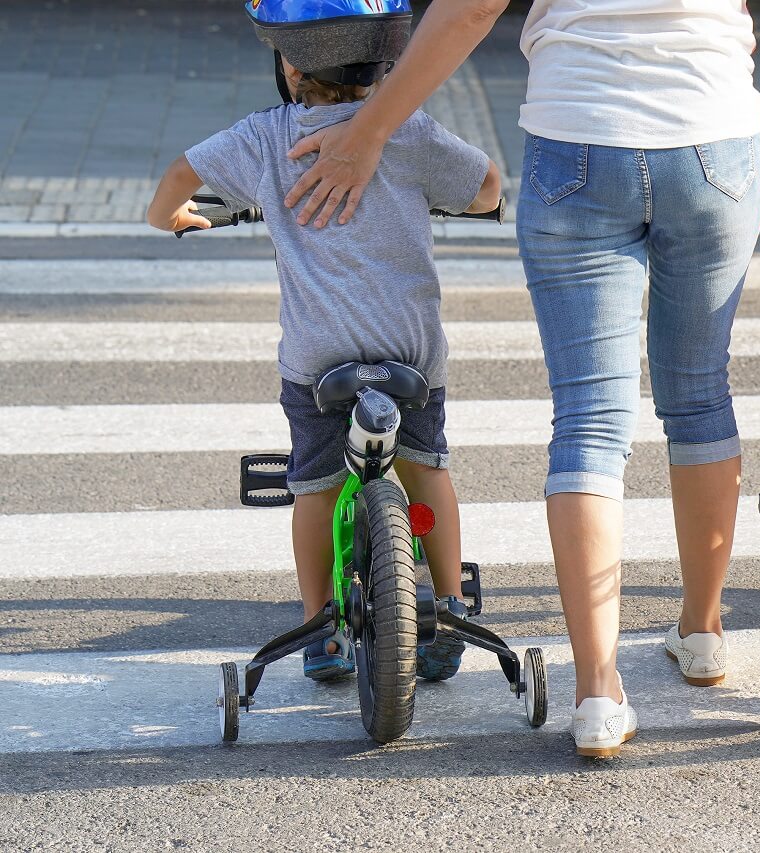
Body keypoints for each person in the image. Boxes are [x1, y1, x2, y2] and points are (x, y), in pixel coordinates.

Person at [278, 0, 760, 758]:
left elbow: (471, 9)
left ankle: (599, 691)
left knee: (587, 420)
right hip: (712, 144)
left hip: (579, 143)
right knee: (700, 393)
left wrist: (370, 129)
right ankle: (702, 634)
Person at [145, 0, 502, 682]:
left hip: (320, 362)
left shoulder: (263, 139)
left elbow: (173, 185)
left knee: (313, 487)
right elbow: (488, 187)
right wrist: (443, 194)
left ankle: (320, 628)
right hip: (411, 355)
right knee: (428, 466)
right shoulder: (408, 130)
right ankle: (450, 603)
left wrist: (177, 218)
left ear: (288, 61)